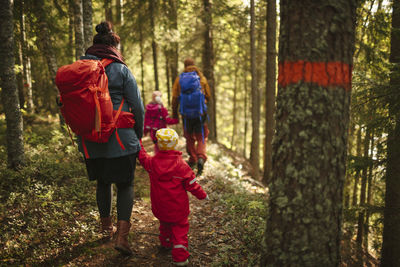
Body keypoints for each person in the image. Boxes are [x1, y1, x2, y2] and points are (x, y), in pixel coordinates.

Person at [78, 21, 144, 255]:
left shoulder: (80, 67)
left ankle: (106, 230)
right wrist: (138, 136)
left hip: (90, 139)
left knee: (103, 182)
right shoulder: (121, 69)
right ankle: (122, 238)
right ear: (114, 46)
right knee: (125, 184)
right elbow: (137, 105)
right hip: (121, 138)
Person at [138, 128, 208, 266]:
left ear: (157, 144)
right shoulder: (181, 166)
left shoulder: (152, 163)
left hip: (160, 207)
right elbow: (192, 184)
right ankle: (180, 257)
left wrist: (138, 142)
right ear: (175, 144)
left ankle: (165, 243)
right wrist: (203, 195)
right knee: (180, 230)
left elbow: (142, 156)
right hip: (178, 209)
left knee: (164, 224)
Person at [172, 58, 211, 175]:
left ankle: (193, 158)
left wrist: (175, 114)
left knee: (189, 136)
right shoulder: (201, 78)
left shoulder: (180, 79)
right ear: (194, 65)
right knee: (201, 136)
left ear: (184, 66)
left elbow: (175, 98)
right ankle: (201, 157)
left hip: (186, 114)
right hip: (200, 113)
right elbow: (208, 95)